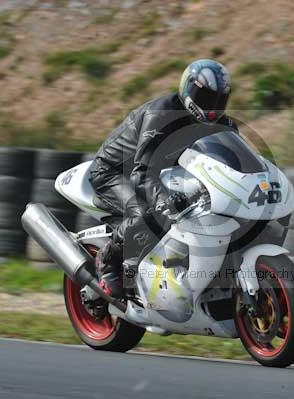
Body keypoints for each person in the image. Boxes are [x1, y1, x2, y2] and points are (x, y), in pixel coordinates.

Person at [89, 59, 238, 298]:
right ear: (188, 88)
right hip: (115, 172)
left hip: (163, 172)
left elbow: (234, 159)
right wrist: (163, 200)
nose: (212, 106)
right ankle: (106, 260)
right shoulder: (162, 115)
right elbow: (142, 172)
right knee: (146, 211)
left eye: (219, 100)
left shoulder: (223, 124)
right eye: (206, 97)